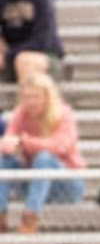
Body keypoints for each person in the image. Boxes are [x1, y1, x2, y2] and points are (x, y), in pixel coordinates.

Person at [0, 70, 83, 233]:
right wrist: (7, 144)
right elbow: (9, 141)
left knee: (44, 158)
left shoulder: (63, 114)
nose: (30, 102)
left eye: (36, 97)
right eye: (27, 97)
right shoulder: (20, 113)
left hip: (66, 185)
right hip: (34, 184)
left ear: (47, 97)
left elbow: (61, 146)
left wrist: (25, 142)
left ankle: (30, 217)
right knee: (6, 161)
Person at [0, 0, 64, 85]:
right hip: (10, 58)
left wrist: (8, 55)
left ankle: (29, 103)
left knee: (25, 61)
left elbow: (43, 40)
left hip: (44, 56)